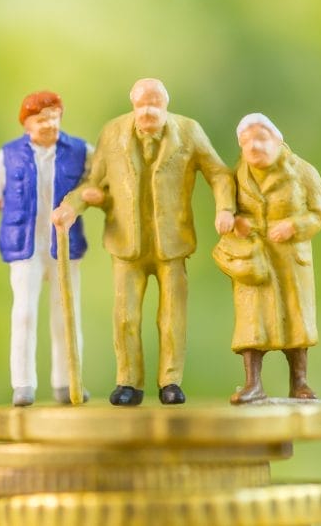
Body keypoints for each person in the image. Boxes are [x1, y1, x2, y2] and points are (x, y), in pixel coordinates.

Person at [52, 78, 234, 406]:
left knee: (173, 317)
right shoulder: (112, 133)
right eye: (142, 105)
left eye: (154, 104)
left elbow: (218, 173)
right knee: (125, 316)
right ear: (133, 105)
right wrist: (72, 206)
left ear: (165, 105)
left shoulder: (189, 132)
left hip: (172, 243)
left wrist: (224, 209)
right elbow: (93, 182)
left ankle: (171, 381)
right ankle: (128, 382)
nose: (148, 111)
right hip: (127, 243)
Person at [0, 91, 91, 407]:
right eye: (41, 119)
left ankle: (67, 382)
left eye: (54, 117)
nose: (49, 124)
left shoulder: (80, 152)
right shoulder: (8, 156)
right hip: (25, 246)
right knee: (24, 313)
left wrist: (91, 197)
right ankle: (23, 384)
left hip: (64, 246)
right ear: (27, 124)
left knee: (66, 315)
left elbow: (101, 182)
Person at [221, 113, 321, 404]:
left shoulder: (303, 172)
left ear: (277, 140)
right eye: (247, 142)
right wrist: (236, 222)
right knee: (251, 321)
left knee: (296, 320)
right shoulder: (237, 176)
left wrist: (293, 226)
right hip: (255, 258)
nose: (254, 146)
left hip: (291, 259)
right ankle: (252, 383)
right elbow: (228, 209)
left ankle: (300, 382)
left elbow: (318, 213)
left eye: (261, 138)